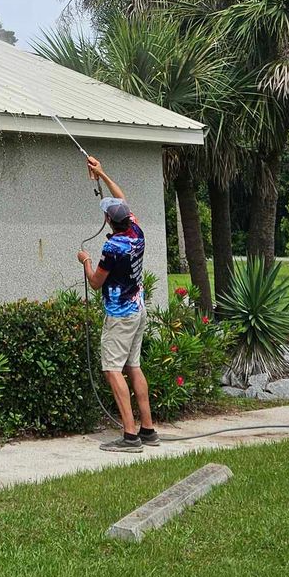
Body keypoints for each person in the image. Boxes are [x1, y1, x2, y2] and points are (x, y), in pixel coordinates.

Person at [77, 155, 159, 452]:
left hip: (120, 315)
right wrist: (102, 173)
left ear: (110, 221)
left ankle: (130, 436)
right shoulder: (136, 232)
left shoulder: (112, 247)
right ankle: (148, 430)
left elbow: (96, 282)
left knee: (113, 370)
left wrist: (86, 261)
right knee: (134, 366)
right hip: (138, 310)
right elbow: (121, 199)